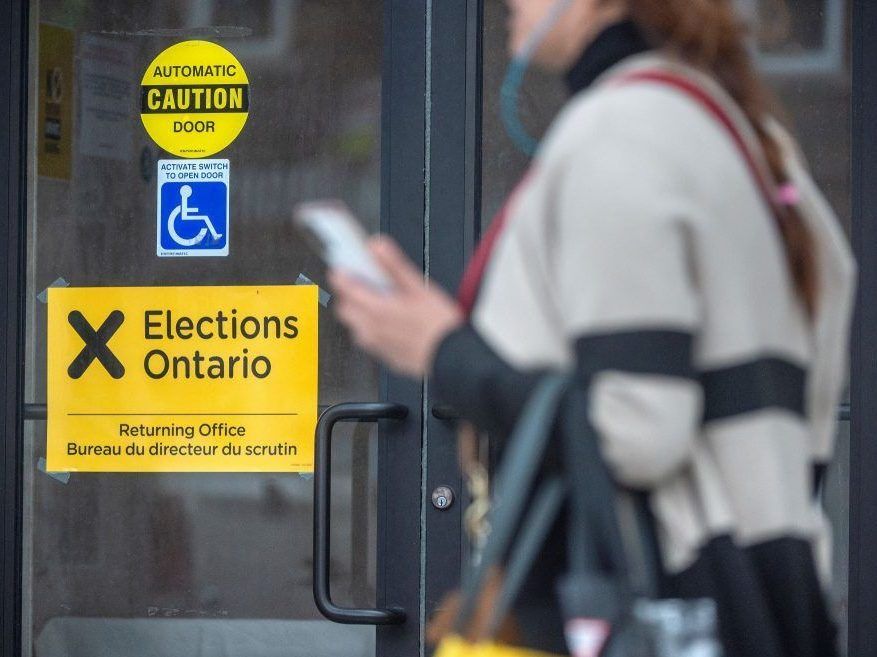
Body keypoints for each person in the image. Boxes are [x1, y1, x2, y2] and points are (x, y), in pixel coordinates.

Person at [329, 1, 856, 655]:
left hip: (649, 606)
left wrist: (438, 347)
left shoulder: (624, 130)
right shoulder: (746, 139)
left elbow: (635, 429)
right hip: (763, 594)